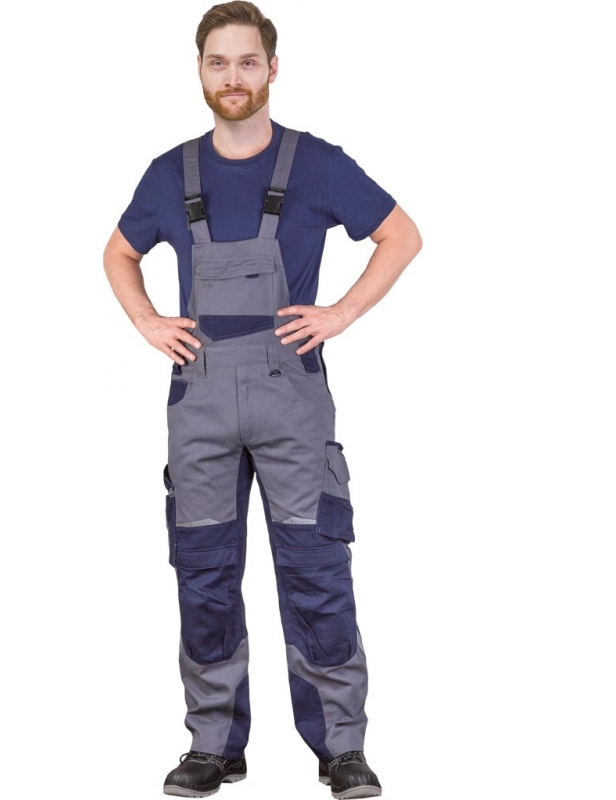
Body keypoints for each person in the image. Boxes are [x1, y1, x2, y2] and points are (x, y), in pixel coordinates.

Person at [103, 3, 422, 797]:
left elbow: (402, 234)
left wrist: (341, 313)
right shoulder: (170, 173)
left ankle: (341, 748)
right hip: (200, 401)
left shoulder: (317, 164)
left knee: (316, 571)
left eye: (248, 61)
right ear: (200, 70)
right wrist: (146, 320)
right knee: (204, 575)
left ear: (273, 69)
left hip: (292, 399)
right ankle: (214, 744)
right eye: (218, 62)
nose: (234, 77)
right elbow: (117, 253)